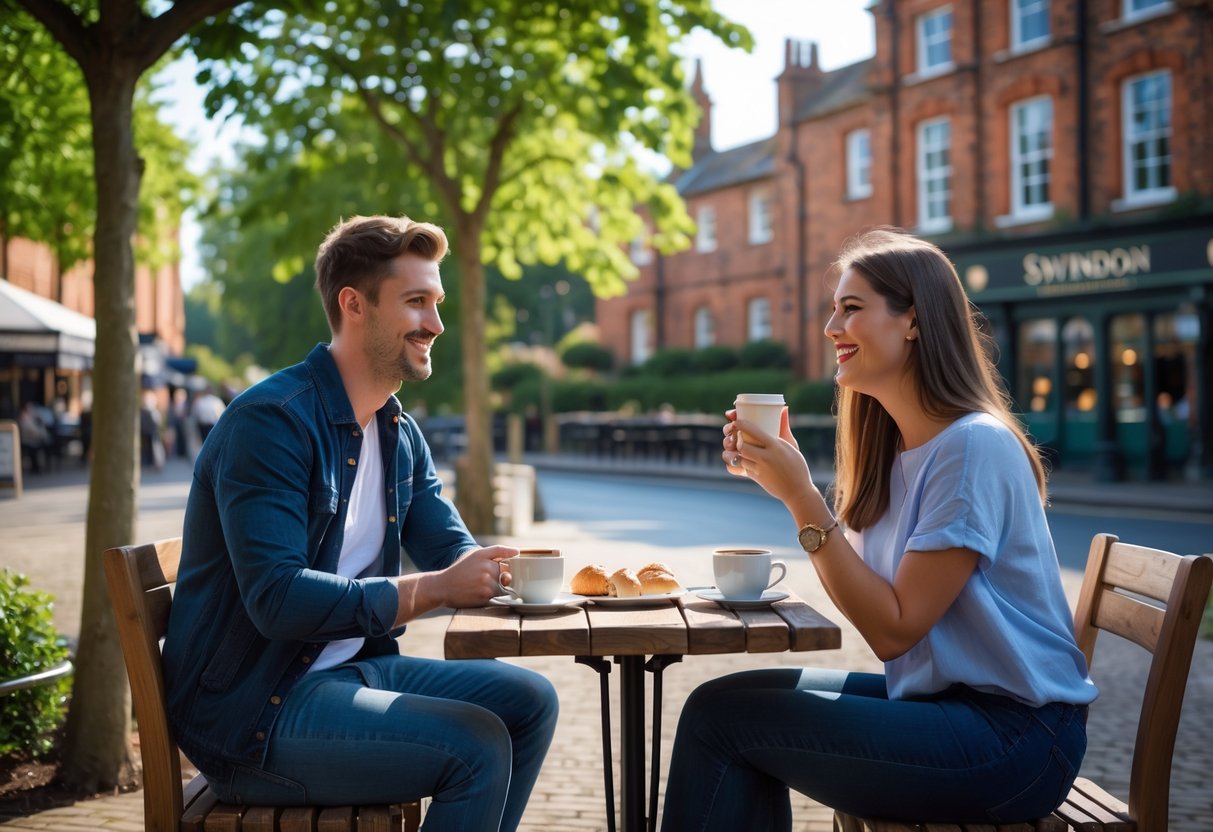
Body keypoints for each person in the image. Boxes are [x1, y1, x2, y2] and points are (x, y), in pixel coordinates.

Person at [661, 228, 1096, 830]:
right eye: (833, 308)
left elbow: (894, 631)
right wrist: (788, 486)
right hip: (948, 708)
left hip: (1014, 739)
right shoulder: (899, 451)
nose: (830, 327)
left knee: (724, 726)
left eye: (852, 308)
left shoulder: (972, 447)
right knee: (717, 703)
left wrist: (801, 497)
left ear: (912, 321)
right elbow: (881, 610)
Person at [162, 215, 559, 831]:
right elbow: (277, 599)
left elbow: (448, 547)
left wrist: (507, 570)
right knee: (475, 745)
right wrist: (431, 591)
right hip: (254, 712)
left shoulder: (397, 431)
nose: (436, 323)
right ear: (354, 304)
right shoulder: (270, 423)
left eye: (437, 302)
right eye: (416, 302)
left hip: (350, 671)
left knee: (530, 702)